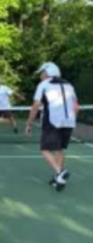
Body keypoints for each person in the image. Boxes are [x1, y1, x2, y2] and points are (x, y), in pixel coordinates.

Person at [25, 62, 79, 191]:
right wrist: (72, 120)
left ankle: (60, 172)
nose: (40, 76)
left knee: (45, 149)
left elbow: (35, 106)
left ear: (47, 72)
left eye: (42, 73)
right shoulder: (69, 85)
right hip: (69, 122)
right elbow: (76, 107)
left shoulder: (44, 85)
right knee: (59, 149)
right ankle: (58, 178)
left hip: (52, 122)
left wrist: (29, 123)